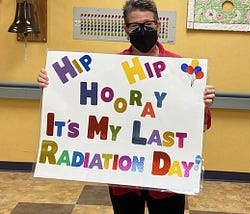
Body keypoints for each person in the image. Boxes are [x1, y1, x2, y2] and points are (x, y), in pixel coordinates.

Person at [38, 0, 215, 213]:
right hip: (124, 175)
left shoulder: (183, 70)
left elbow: (201, 126)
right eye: (135, 26)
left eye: (149, 24)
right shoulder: (109, 69)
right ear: (126, 30)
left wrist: (202, 104)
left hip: (167, 174)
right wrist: (53, 88)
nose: (143, 30)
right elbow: (82, 108)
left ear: (159, 26)